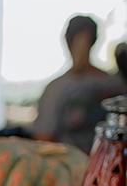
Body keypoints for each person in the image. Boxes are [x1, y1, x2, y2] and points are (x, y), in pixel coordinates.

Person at [33, 14, 121, 155]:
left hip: (70, 169)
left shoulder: (57, 88)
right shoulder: (116, 84)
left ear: (66, 41)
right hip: (110, 168)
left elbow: (43, 141)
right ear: (95, 41)